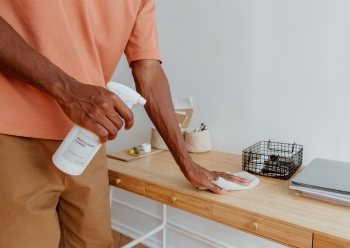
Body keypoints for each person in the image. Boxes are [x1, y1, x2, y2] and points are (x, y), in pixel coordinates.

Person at [0, 1, 250, 247]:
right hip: (13, 132)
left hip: (88, 140)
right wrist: (67, 89)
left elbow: (149, 71)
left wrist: (187, 162)